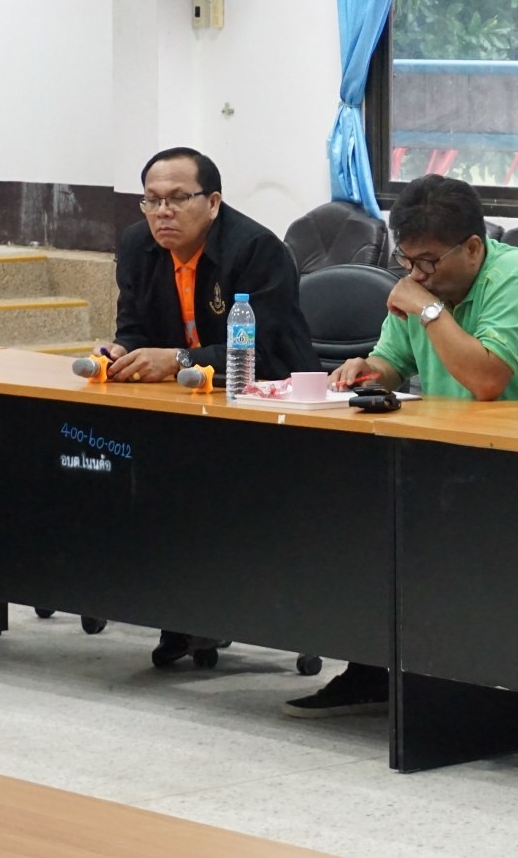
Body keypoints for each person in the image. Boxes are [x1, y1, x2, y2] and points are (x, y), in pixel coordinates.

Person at [285, 174, 518, 718]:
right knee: (351, 516)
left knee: (421, 529)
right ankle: (372, 669)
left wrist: (428, 309)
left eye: (429, 262)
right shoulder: (425, 287)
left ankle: (471, 679)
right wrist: (364, 370)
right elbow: (392, 363)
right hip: (444, 453)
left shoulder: (514, 276)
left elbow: (486, 379)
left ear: (473, 248)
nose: (417, 274)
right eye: (407, 260)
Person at [110, 147, 319, 669]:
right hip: (183, 403)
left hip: (269, 404)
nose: (163, 212)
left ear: (213, 202)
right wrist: (120, 352)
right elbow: (133, 327)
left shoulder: (256, 250)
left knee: (210, 490)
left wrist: (178, 358)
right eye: (152, 200)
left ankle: (211, 613)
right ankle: (186, 614)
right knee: (143, 480)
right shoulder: (137, 245)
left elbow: (261, 352)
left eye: (178, 198)